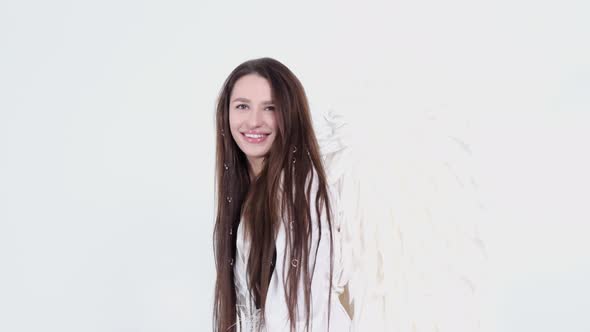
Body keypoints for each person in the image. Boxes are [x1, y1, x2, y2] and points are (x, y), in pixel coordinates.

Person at [212, 57, 351, 331]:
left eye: (270, 108)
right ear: (226, 113)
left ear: (290, 114)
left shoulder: (301, 187)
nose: (254, 121)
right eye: (242, 106)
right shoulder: (249, 192)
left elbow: (300, 308)